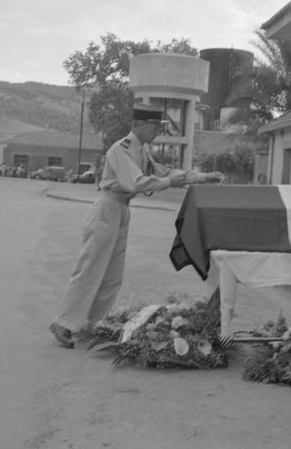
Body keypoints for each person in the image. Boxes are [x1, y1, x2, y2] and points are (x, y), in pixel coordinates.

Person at [49, 103, 224, 348]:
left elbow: (167, 172)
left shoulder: (141, 151)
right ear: (138, 125)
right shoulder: (121, 149)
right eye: (154, 126)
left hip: (121, 209)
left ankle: (91, 323)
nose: (157, 131)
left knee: (112, 274)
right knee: (90, 267)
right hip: (107, 207)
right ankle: (64, 322)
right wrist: (167, 181)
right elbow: (137, 183)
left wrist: (204, 177)